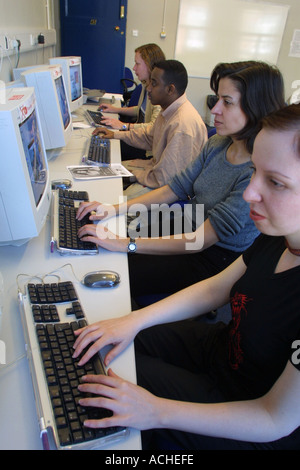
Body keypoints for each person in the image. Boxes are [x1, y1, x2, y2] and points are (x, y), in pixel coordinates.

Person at [73, 103, 300, 450]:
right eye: (255, 172)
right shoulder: (277, 236)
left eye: (275, 182)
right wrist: (132, 320)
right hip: (221, 351)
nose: (250, 192)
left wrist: (156, 411)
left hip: (246, 411)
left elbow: (273, 418)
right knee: (106, 344)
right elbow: (218, 287)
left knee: (103, 383)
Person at [76, 61, 285, 305]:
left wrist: (126, 244)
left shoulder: (253, 172)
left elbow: (200, 240)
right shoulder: (218, 143)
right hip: (191, 221)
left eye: (226, 102)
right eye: (217, 99)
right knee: (115, 226)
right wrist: (113, 208)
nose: (215, 109)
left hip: (213, 256)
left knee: (123, 263)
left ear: (255, 108)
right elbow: (175, 188)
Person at [93, 59, 208, 199]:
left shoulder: (182, 125)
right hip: (157, 171)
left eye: (154, 83)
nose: (148, 88)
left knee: (114, 199)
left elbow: (166, 179)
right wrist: (115, 135)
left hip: (169, 189)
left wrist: (135, 175)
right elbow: (149, 137)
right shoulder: (169, 109)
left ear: (170, 89)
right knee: (106, 171)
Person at [99, 43, 165, 160]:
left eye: (137, 64)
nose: (134, 68)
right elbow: (139, 110)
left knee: (107, 147)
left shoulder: (158, 93)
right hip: (139, 136)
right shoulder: (145, 84)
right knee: (106, 141)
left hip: (146, 148)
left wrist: (124, 126)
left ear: (149, 66)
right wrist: (115, 109)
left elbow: (153, 127)